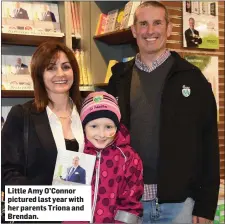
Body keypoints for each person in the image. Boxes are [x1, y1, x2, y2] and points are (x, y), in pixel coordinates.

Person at [107, 1, 219, 223]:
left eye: (157, 23)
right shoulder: (118, 80)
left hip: (179, 206)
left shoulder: (193, 79)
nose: (150, 31)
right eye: (143, 24)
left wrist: (206, 206)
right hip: (128, 203)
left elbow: (209, 145)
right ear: (134, 31)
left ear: (169, 29)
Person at [2, 41, 84, 187]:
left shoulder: (88, 113)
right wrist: (47, 198)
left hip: (88, 207)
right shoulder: (21, 115)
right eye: (51, 68)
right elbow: (7, 173)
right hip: (41, 206)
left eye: (66, 67)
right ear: (40, 74)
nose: (60, 73)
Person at [79, 92, 143, 223]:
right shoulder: (77, 154)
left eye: (108, 127)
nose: (102, 134)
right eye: (94, 126)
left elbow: (130, 206)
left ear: (117, 127)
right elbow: (68, 200)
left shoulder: (129, 159)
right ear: (84, 126)